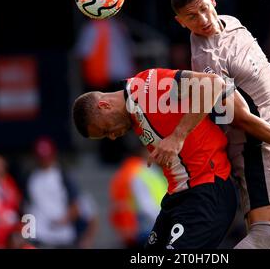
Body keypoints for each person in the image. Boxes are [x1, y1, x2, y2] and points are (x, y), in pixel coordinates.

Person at [149, 0, 270, 249]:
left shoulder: (230, 22)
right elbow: (240, 119)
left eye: (204, 9)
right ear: (180, 22)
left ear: (212, 0)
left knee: (267, 238)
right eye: (192, 18)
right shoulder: (208, 60)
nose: (204, 20)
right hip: (256, 147)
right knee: (265, 238)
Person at [72, 68, 238, 249]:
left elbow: (213, 83)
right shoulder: (134, 111)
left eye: (106, 129)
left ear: (104, 105)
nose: (112, 136)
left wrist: (178, 136)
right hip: (179, 198)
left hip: (207, 190)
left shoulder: (146, 88)